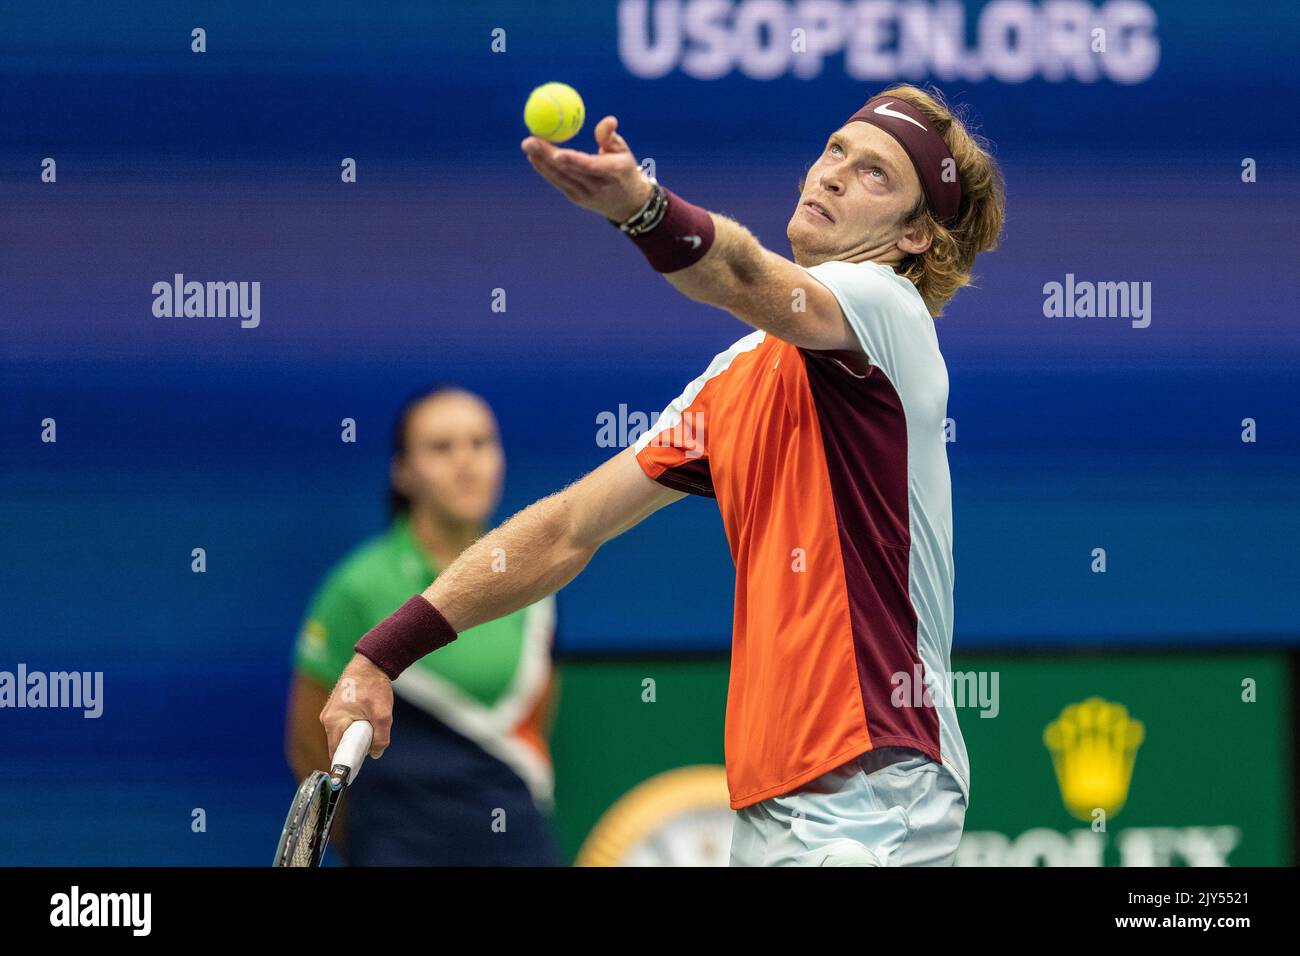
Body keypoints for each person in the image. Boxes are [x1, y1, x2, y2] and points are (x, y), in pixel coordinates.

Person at [320, 84, 1005, 866]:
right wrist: (383, 653)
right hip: (773, 798)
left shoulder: (892, 314)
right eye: (835, 150)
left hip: (876, 784)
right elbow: (565, 531)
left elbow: (745, 276)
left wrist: (641, 207)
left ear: (916, 235)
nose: (834, 174)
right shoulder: (736, 377)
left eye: (876, 174)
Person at [285, 386, 560, 865]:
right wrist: (373, 844)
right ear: (404, 472)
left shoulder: (535, 581)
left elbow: (538, 712)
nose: (465, 462)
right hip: (399, 846)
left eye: (480, 443)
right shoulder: (357, 586)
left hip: (517, 839)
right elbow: (309, 738)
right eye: (440, 447)